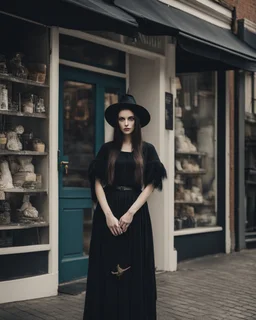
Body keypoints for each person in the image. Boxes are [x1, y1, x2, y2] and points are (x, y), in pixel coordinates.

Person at [83, 94, 167, 320]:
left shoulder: (147, 149)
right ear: (116, 122)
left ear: (137, 122)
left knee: (134, 267)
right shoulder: (107, 149)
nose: (127, 123)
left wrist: (130, 213)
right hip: (107, 213)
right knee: (107, 265)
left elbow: (150, 185)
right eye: (122, 119)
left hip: (135, 214)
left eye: (131, 119)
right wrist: (109, 215)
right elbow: (98, 183)